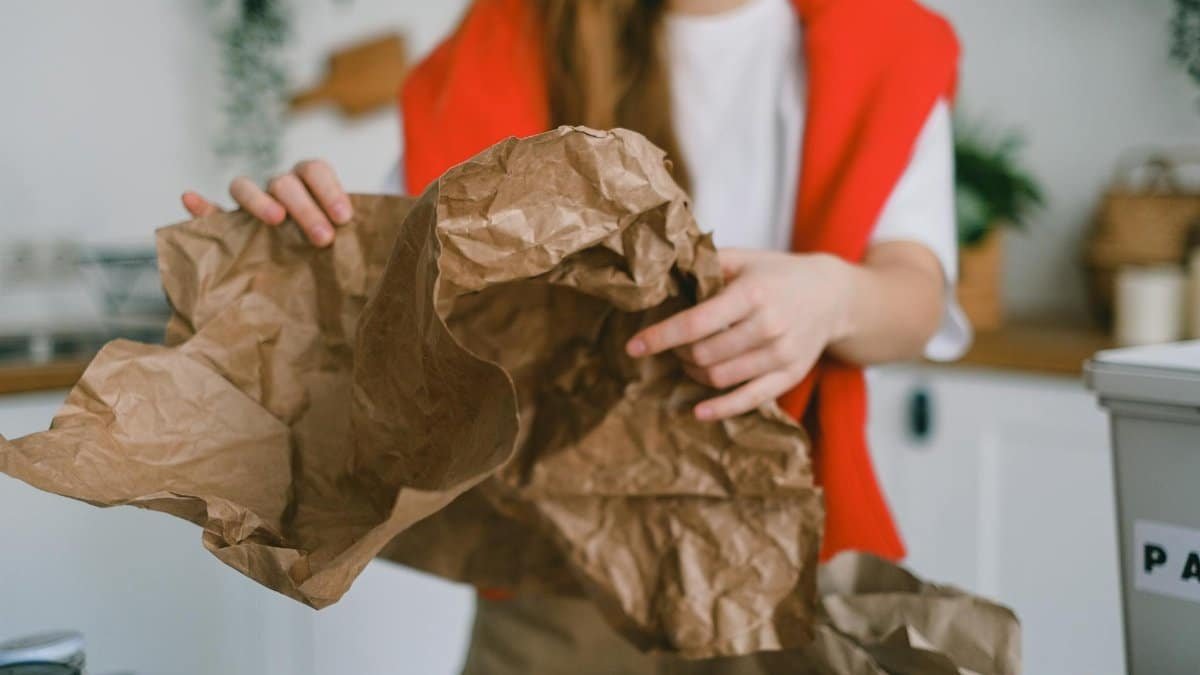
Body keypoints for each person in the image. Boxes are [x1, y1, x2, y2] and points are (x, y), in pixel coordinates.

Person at [182, 0, 965, 670]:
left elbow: (916, 293)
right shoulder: (511, 35)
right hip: (553, 560)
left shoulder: (888, 43)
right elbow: (410, 280)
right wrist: (320, 253)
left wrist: (833, 296)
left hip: (779, 554)